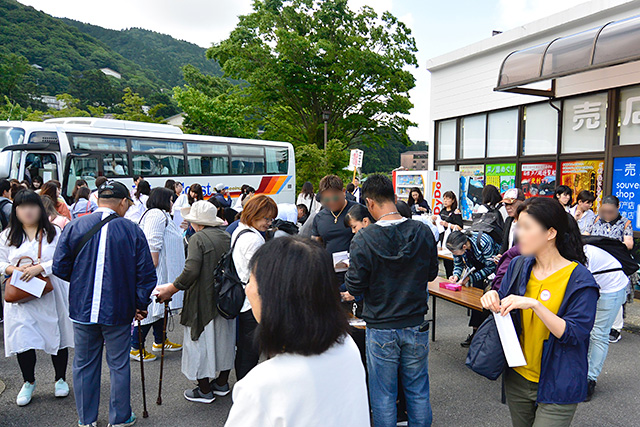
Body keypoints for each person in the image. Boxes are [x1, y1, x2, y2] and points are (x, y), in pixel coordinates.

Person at [225, 237, 370, 426]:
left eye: (251, 279)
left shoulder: (260, 386)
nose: (247, 289)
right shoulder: (346, 346)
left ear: (274, 297)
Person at [481, 197, 598, 427]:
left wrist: (534, 304)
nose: (518, 235)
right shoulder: (519, 265)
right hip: (518, 376)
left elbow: (574, 334)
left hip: (559, 380)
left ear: (550, 233)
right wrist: (492, 296)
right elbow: (503, 301)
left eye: (526, 228)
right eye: (518, 227)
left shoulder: (580, 280)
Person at [53, 181, 157, 427]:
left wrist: (81, 281)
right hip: (119, 309)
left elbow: (60, 266)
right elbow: (146, 275)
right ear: (123, 202)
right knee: (118, 364)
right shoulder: (132, 230)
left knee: (84, 364)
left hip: (82, 308)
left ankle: (86, 419)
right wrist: (140, 304)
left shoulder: (76, 225)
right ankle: (120, 418)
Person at [345, 174, 439, 427]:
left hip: (381, 325)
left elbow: (354, 285)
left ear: (369, 203)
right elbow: (432, 273)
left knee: (383, 394)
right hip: (416, 321)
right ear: (395, 198)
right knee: (418, 390)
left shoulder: (363, 239)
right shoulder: (422, 231)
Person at [155, 201, 235, 403]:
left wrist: (171, 289)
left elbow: (191, 270)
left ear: (196, 223)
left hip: (202, 298)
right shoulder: (227, 236)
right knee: (224, 341)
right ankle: (222, 383)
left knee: (199, 344)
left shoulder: (197, 238)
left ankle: (205, 390)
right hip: (225, 299)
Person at [0, 190, 73, 406]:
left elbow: (64, 259)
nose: (27, 211)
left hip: (50, 292)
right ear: (15, 211)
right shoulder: (7, 236)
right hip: (22, 296)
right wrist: (14, 269)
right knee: (24, 338)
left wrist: (40, 267)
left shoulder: (54, 233)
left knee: (56, 334)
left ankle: (60, 378)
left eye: (32, 206)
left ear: (40, 209)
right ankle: (28, 381)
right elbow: (1, 262)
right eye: (22, 207)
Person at [130, 187, 185, 362]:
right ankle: (135, 347)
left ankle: (160, 341)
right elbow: (152, 242)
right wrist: (151, 268)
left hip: (164, 272)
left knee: (161, 308)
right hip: (157, 272)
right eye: (170, 199)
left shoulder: (162, 215)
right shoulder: (156, 215)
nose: (172, 203)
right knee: (152, 310)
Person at [232, 195, 278, 380]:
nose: (268, 223)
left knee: (245, 349)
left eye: (271, 219)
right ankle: (246, 393)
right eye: (265, 218)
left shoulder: (240, 230)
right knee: (250, 352)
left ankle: (243, 389)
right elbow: (261, 276)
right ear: (253, 214)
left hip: (243, 299)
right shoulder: (254, 240)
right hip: (253, 302)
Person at [583, 240, 629, 401]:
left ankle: (590, 380)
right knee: (587, 332)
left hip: (611, 289)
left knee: (598, 334)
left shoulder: (582, 253)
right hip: (597, 286)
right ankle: (582, 372)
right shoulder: (569, 248)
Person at [585, 194, 634, 343]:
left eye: (610, 211)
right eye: (604, 210)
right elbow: (586, 235)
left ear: (617, 209)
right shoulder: (595, 220)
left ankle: (616, 328)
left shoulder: (625, 223)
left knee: (615, 295)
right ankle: (597, 324)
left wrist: (610, 245)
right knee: (598, 293)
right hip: (597, 264)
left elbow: (629, 243)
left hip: (616, 265)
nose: (606, 214)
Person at [447, 230, 500, 347]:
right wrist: (456, 275)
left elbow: (491, 267)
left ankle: (487, 338)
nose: (455, 254)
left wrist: (471, 278)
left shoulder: (484, 242)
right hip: (475, 271)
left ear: (464, 246)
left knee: (487, 305)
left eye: (456, 252)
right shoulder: (457, 246)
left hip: (493, 273)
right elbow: (458, 263)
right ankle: (475, 334)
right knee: (475, 302)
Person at [311, 175, 358, 274]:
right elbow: (316, 246)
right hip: (329, 272)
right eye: (327, 200)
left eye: (335, 198)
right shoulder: (319, 217)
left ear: (344, 192)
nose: (332, 202)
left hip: (355, 272)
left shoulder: (357, 211)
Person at [432, 190, 463, 278]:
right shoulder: (442, 211)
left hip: (452, 239)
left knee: (452, 263)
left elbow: (460, 227)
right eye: (444, 199)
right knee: (445, 263)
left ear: (453, 200)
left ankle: (454, 278)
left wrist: (448, 225)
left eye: (448, 199)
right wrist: (435, 220)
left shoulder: (456, 212)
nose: (445, 201)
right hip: (442, 239)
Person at [500, 188, 526, 254]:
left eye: (511, 204)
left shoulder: (527, 222)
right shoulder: (508, 220)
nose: (508, 207)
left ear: (522, 202)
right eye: (505, 204)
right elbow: (504, 244)